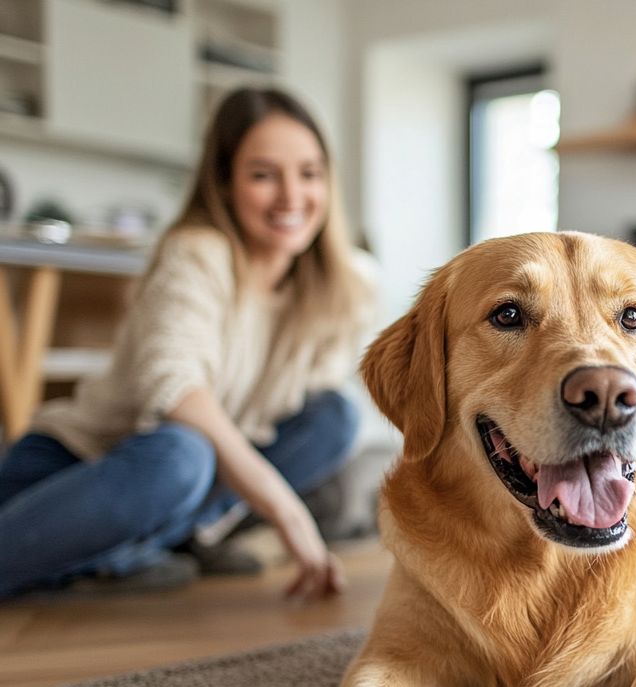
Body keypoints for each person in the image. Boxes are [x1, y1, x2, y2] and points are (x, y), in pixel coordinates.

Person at [0, 87, 373, 600]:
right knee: (184, 453)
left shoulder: (340, 288)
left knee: (336, 415)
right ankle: (116, 554)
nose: (292, 197)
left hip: (178, 496)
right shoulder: (196, 253)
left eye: (309, 173)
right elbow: (173, 391)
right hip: (74, 475)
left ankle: (139, 552)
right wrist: (285, 511)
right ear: (224, 183)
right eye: (264, 175)